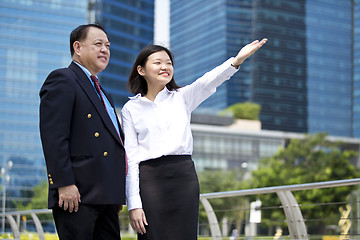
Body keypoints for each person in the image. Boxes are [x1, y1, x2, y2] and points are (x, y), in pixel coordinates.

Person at [121, 38, 267, 240]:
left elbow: (208, 81)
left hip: (183, 177)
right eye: (158, 62)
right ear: (141, 70)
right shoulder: (131, 108)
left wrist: (237, 60)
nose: (165, 67)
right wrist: (134, 204)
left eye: (169, 63)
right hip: (150, 180)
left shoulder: (181, 97)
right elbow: (130, 158)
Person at [39, 24, 126, 240]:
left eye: (107, 45)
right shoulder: (63, 78)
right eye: (98, 44)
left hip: (106, 197)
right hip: (76, 195)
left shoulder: (103, 92)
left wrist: (116, 192)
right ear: (77, 47)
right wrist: (64, 183)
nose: (104, 49)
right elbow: (54, 137)